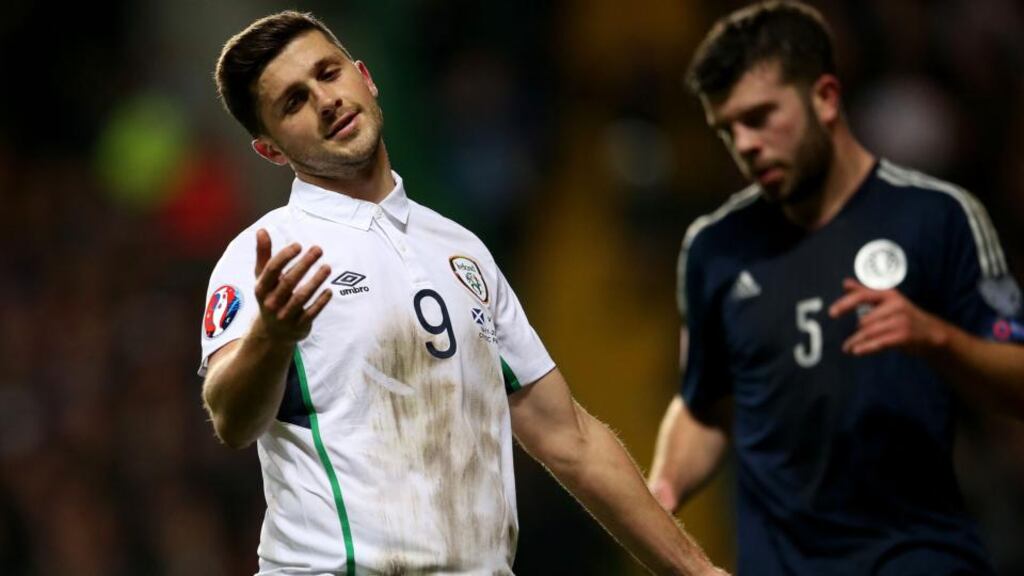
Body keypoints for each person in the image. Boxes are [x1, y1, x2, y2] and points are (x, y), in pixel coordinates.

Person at [199, 10, 724, 576]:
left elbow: (569, 439)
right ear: (271, 150)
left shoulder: (460, 250)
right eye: (294, 102)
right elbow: (231, 419)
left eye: (329, 74)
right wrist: (271, 338)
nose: (326, 100)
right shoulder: (267, 254)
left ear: (365, 78)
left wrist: (699, 571)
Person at [646, 2, 1024, 575]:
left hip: (917, 560)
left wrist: (937, 337)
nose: (745, 144)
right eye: (727, 130)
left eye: (760, 117)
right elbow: (705, 407)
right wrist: (662, 491)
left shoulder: (937, 218)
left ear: (824, 97)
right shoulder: (714, 248)